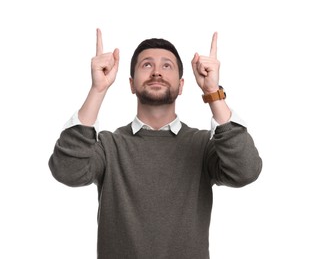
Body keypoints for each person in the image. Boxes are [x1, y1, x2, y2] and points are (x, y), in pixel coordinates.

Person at [49, 28, 262, 259]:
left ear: (181, 86)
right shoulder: (109, 146)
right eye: (147, 65)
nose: (157, 72)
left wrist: (212, 92)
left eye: (167, 66)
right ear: (131, 84)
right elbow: (66, 170)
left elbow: (246, 170)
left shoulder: (202, 145)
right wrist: (97, 90)